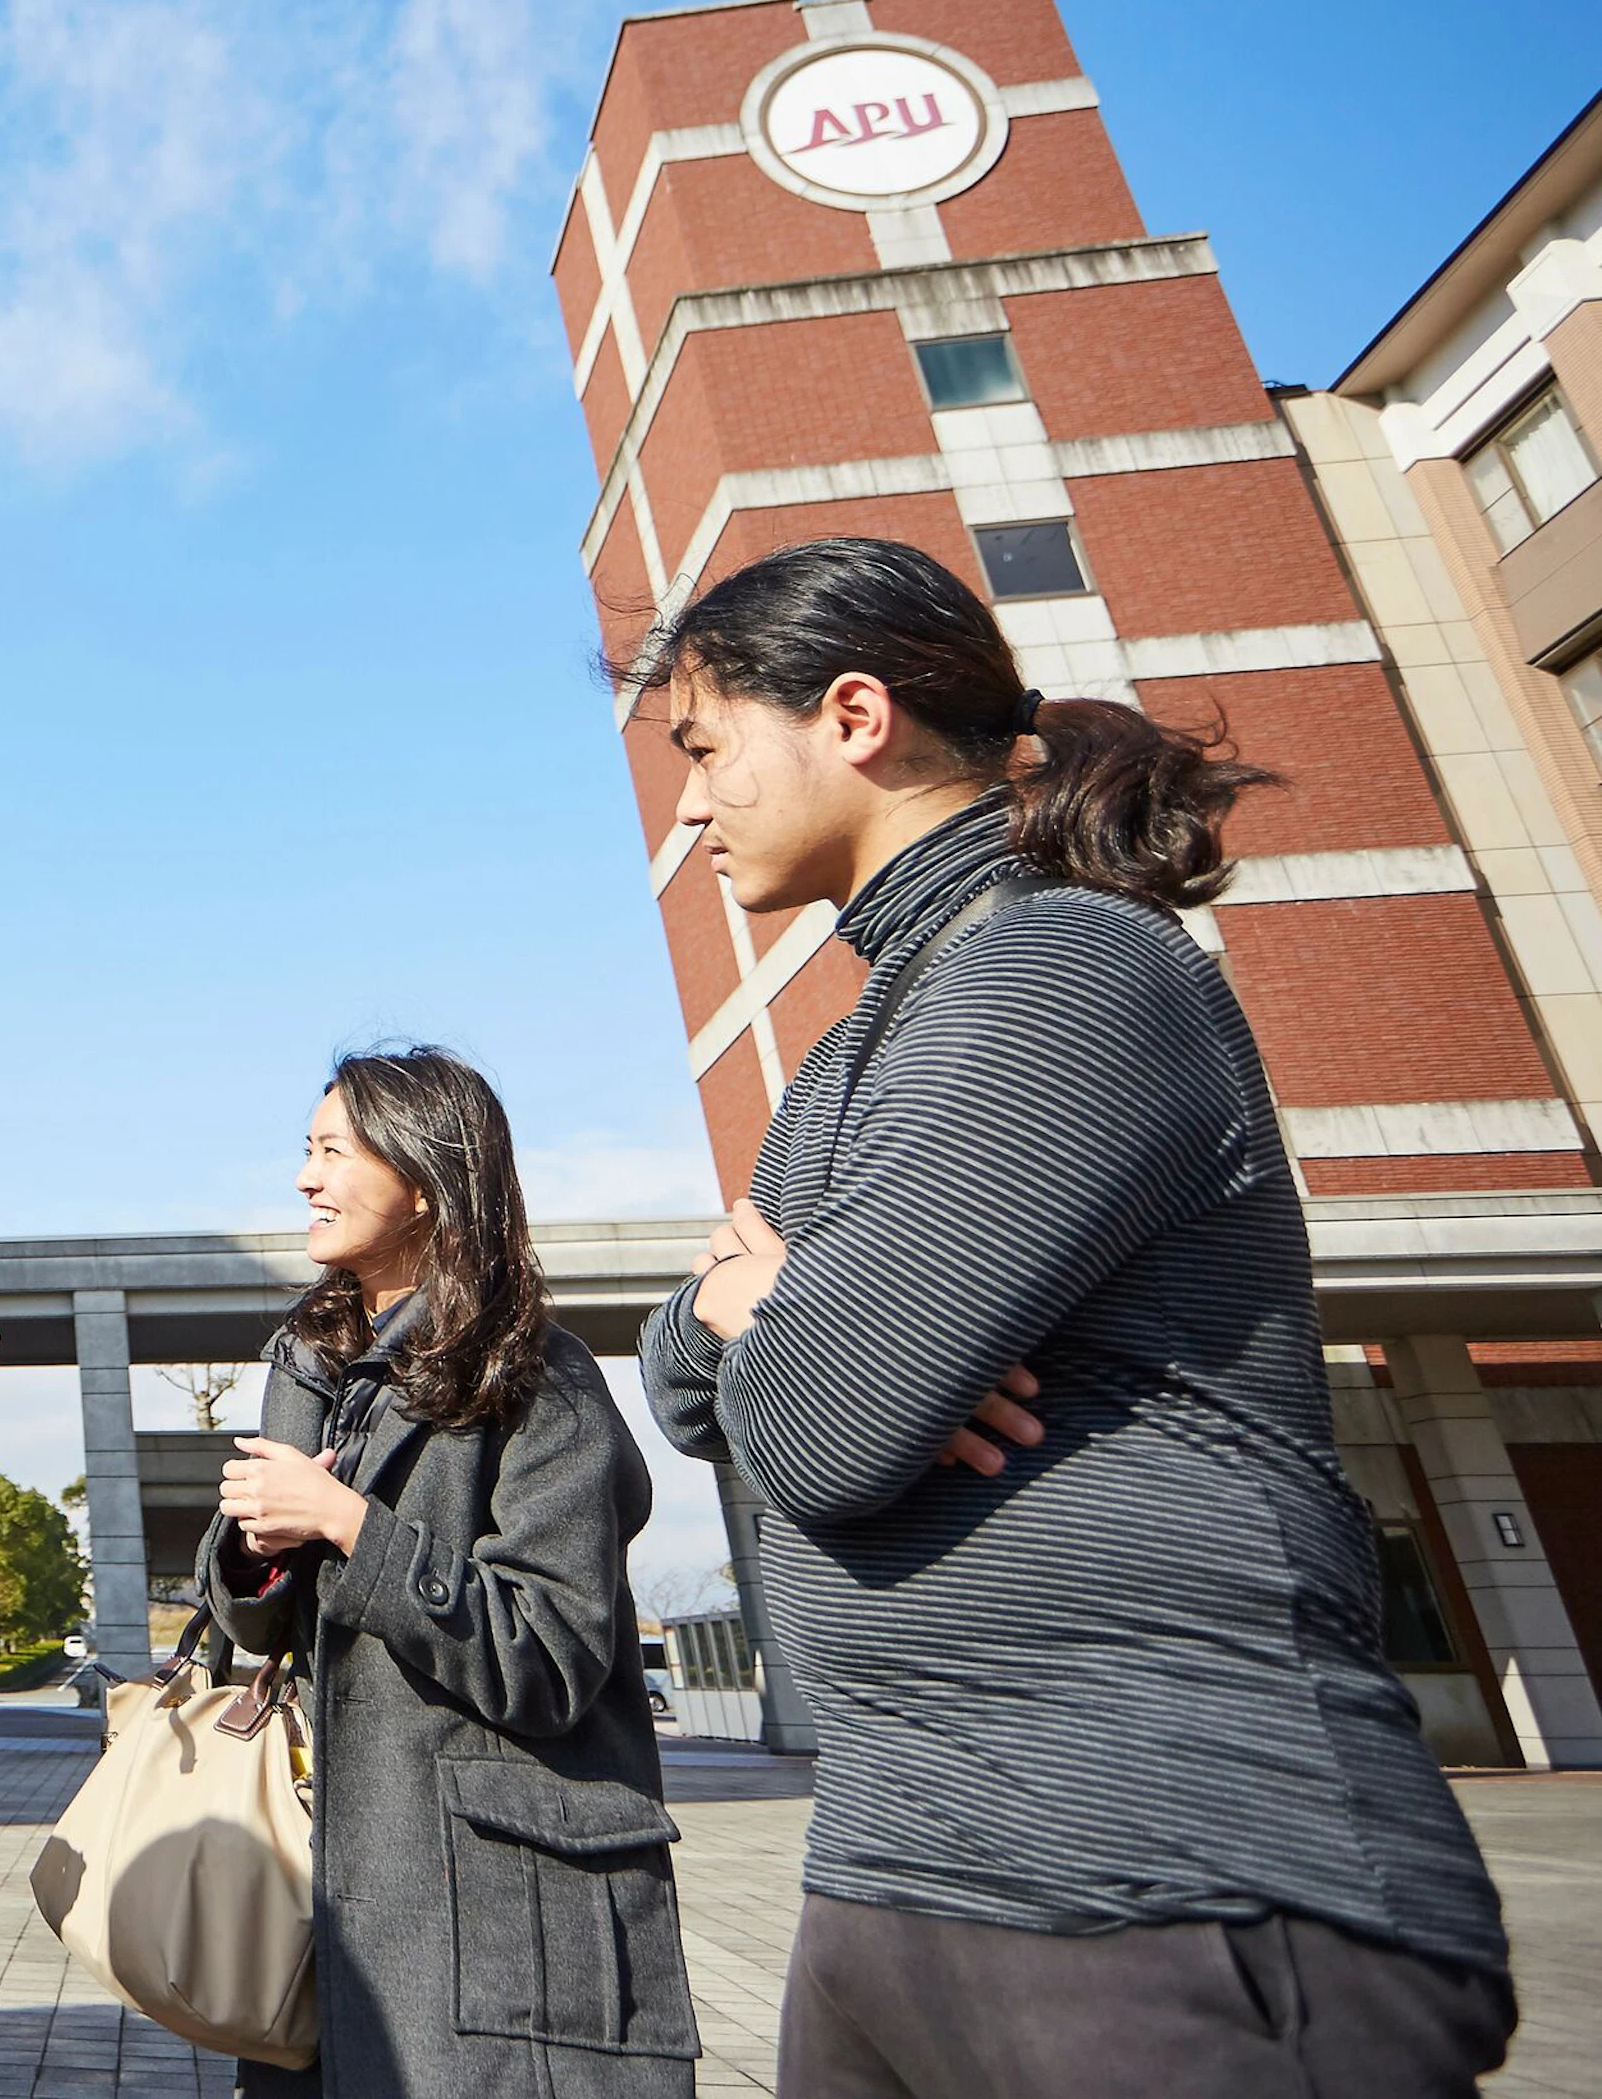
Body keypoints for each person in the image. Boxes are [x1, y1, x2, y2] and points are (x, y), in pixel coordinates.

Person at [628, 534, 1514, 2098]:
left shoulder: (1064, 966)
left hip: (1174, 1882)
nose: (688, 808)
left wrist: (816, 1329)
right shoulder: (850, 1053)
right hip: (900, 1867)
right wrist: (783, 1312)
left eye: (704, 751)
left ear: (853, 716)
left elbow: (824, 1435)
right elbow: (691, 1382)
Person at [203, 1047, 695, 2097]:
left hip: (499, 1937)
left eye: (334, 1150)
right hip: (321, 1918)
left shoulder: (538, 1376)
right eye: (306, 1149)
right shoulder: (317, 1368)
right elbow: (259, 1633)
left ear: (423, 1179)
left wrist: (347, 1524)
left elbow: (550, 1658)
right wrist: (254, 1548)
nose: (305, 1178)